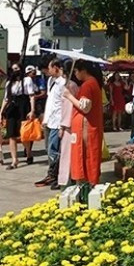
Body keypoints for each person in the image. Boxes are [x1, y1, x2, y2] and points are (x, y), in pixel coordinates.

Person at [62, 60, 104, 191]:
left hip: (85, 127)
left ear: (83, 70)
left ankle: (86, 186)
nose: (75, 74)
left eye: (76, 71)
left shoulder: (87, 85)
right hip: (87, 125)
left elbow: (85, 107)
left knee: (84, 156)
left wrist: (69, 96)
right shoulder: (93, 83)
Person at [36, 58, 66, 188]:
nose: (48, 71)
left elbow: (63, 105)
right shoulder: (51, 81)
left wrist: (62, 125)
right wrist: (46, 119)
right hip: (50, 121)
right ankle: (52, 174)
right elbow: (51, 102)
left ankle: (56, 175)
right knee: (49, 149)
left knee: (54, 150)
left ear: (56, 67)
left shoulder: (64, 83)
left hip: (58, 121)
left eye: (50, 68)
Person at [57, 61, 80, 189]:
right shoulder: (73, 85)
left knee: (66, 153)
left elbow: (67, 108)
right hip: (72, 122)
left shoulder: (68, 86)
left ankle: (65, 181)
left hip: (68, 124)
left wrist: (62, 125)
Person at [0, 70, 25, 169]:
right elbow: (6, 99)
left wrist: (32, 110)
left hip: (22, 107)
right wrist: (1, 113)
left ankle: (29, 152)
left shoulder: (26, 81)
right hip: (12, 109)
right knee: (11, 134)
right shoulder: (9, 84)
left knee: (24, 133)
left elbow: (31, 97)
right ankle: (14, 159)